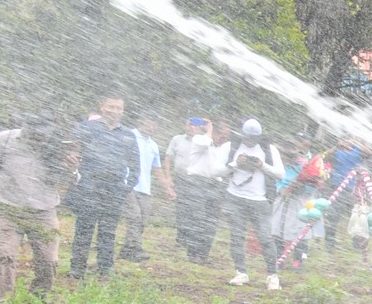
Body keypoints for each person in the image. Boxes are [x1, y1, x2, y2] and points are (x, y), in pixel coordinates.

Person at [0, 122, 74, 302]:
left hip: (44, 212)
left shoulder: (57, 147)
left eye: (44, 135)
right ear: (26, 129)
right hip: (8, 209)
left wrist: (72, 170)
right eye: (35, 134)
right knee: (5, 256)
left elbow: (69, 181)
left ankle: (38, 299)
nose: (39, 139)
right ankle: (1, 303)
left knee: (49, 260)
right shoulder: (5, 140)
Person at [65, 94, 137, 282]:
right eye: (110, 107)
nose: (114, 111)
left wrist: (126, 188)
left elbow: (135, 165)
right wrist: (77, 179)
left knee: (108, 230)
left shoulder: (128, 135)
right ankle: (77, 269)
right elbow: (73, 153)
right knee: (84, 228)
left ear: (123, 110)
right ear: (102, 107)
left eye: (118, 108)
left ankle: (105, 268)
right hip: (89, 186)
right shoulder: (86, 128)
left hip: (114, 189)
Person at [218, 119, 285, 288]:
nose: (250, 142)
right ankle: (241, 272)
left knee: (265, 238)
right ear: (242, 134)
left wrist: (262, 166)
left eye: (254, 139)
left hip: (260, 200)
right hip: (235, 197)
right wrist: (235, 164)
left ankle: (272, 275)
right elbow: (216, 171)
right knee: (236, 236)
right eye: (248, 138)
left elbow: (280, 174)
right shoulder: (230, 147)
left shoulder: (269, 149)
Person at [118, 112, 171, 264]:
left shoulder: (153, 145)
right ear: (141, 122)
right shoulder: (129, 136)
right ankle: (135, 248)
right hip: (128, 183)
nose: (151, 127)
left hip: (145, 187)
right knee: (134, 215)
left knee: (143, 219)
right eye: (148, 123)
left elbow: (157, 168)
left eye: (154, 124)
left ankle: (128, 248)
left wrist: (167, 187)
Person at [167, 117, 222, 263]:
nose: (193, 127)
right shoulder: (192, 139)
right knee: (192, 216)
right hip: (191, 181)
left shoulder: (214, 144)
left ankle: (202, 254)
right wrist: (208, 130)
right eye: (190, 124)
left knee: (207, 220)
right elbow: (169, 158)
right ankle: (190, 247)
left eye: (196, 125)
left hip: (210, 184)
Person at [324, 136, 365, 252]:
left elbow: (369, 153)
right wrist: (337, 146)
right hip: (337, 187)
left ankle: (357, 245)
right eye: (344, 139)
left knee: (356, 217)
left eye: (348, 139)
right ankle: (329, 244)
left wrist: (356, 142)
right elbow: (324, 156)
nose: (347, 142)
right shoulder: (338, 150)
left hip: (354, 188)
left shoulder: (357, 150)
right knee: (333, 216)